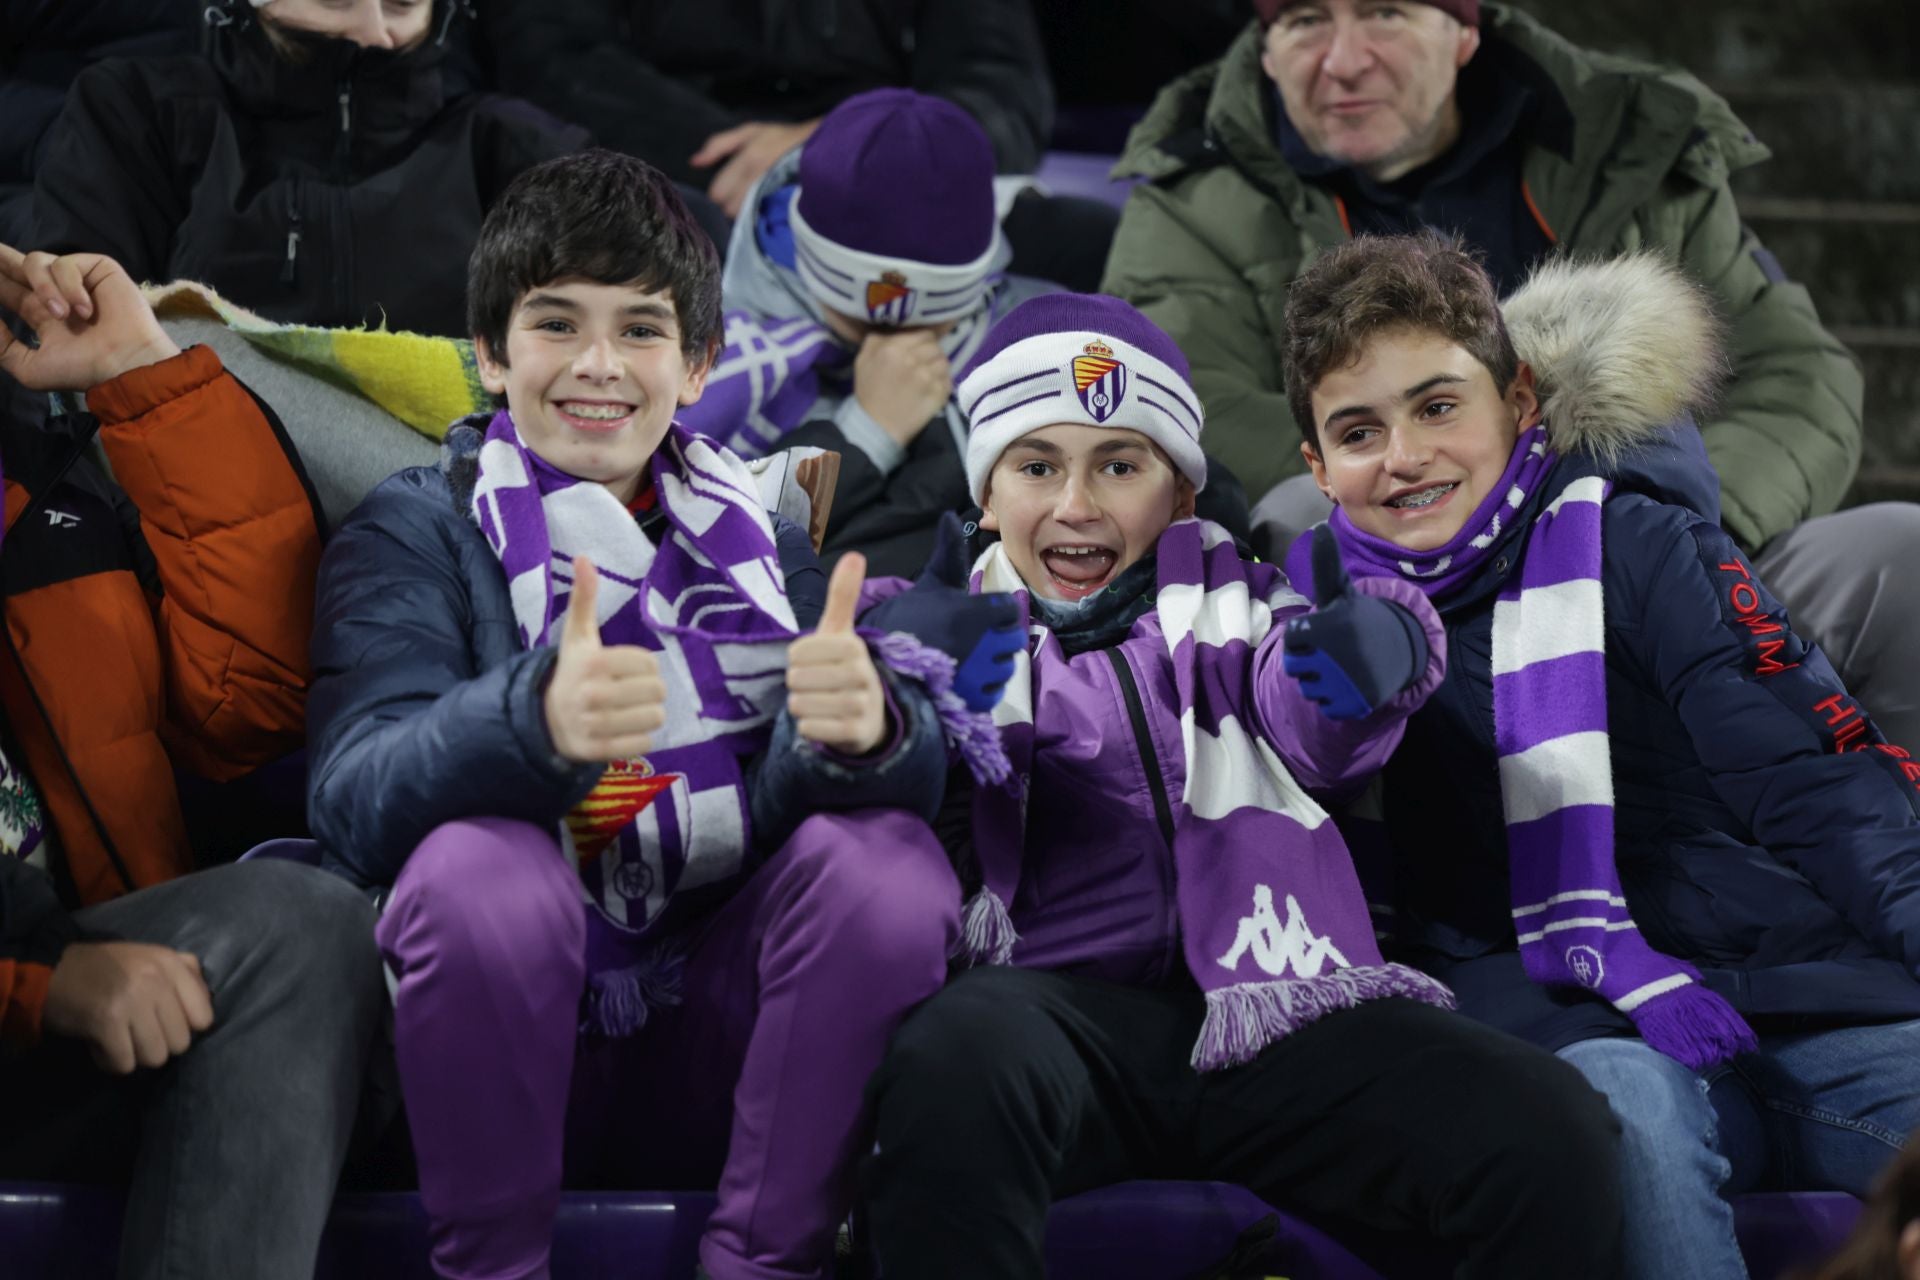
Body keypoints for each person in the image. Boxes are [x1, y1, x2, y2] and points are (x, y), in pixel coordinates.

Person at [303, 148, 988, 1280]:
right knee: (480, 870)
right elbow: (355, 796)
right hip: (494, 1029)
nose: (599, 367)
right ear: (488, 352)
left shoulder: (766, 529)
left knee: (887, 862)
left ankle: (767, 1263)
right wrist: (533, 721)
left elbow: (845, 797)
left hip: (715, 1022)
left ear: (700, 360)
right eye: (556, 324)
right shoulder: (412, 526)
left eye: (641, 330)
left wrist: (864, 733)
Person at [857, 291, 1626, 1280]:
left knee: (1548, 1128)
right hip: (1052, 1020)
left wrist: (1364, 669)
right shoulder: (934, 619)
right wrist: (923, 698)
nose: (1076, 505)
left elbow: (1310, 729)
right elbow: (868, 779)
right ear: (988, 492)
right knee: (951, 1059)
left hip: (1280, 1013)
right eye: (1037, 465)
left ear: (1179, 491)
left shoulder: (1253, 603)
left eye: (1119, 465)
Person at [1281, 232, 1920, 1280]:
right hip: (1549, 1011)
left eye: (1439, 405)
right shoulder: (1305, 614)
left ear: (1519, 399)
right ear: (1315, 464)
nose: (1404, 455)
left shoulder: (1638, 537)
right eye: (1359, 429)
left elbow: (1819, 778)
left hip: (1790, 989)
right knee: (1624, 1110)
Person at [1102, 0, 1920, 746]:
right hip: (1400, 590)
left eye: (1384, 14)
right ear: (1267, 49)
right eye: (1306, 21)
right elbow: (1186, 411)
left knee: (1891, 554)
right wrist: (1456, 524)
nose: (1343, 60)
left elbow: (1795, 377)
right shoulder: (1191, 192)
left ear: (1465, 32)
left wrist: (1671, 532)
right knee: (1291, 517)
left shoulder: (1626, 141)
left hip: (1652, 561)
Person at [0, 244, 386, 1278]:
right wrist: (38, 972)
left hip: (81, 1013)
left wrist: (142, 375)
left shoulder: (33, 496)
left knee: (358, 933)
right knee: (296, 923)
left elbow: (252, 703)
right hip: (34, 980)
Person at [477, 0, 1123, 292]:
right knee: (669, 238)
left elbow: (1005, 93)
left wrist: (836, 148)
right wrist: (747, 164)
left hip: (886, 171)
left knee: (1092, 241)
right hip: (680, 170)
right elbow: (555, 60)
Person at [30, 0, 587, 337]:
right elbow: (72, 345)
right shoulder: (137, 112)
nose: (373, 31)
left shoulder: (508, 144)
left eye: (401, 3)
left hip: (450, 501)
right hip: (181, 493)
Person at [684, 89, 1058, 580]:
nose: (895, 345)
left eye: (928, 321)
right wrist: (865, 434)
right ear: (808, 261)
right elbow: (692, 549)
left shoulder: (1042, 338)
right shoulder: (707, 350)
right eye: (865, 321)